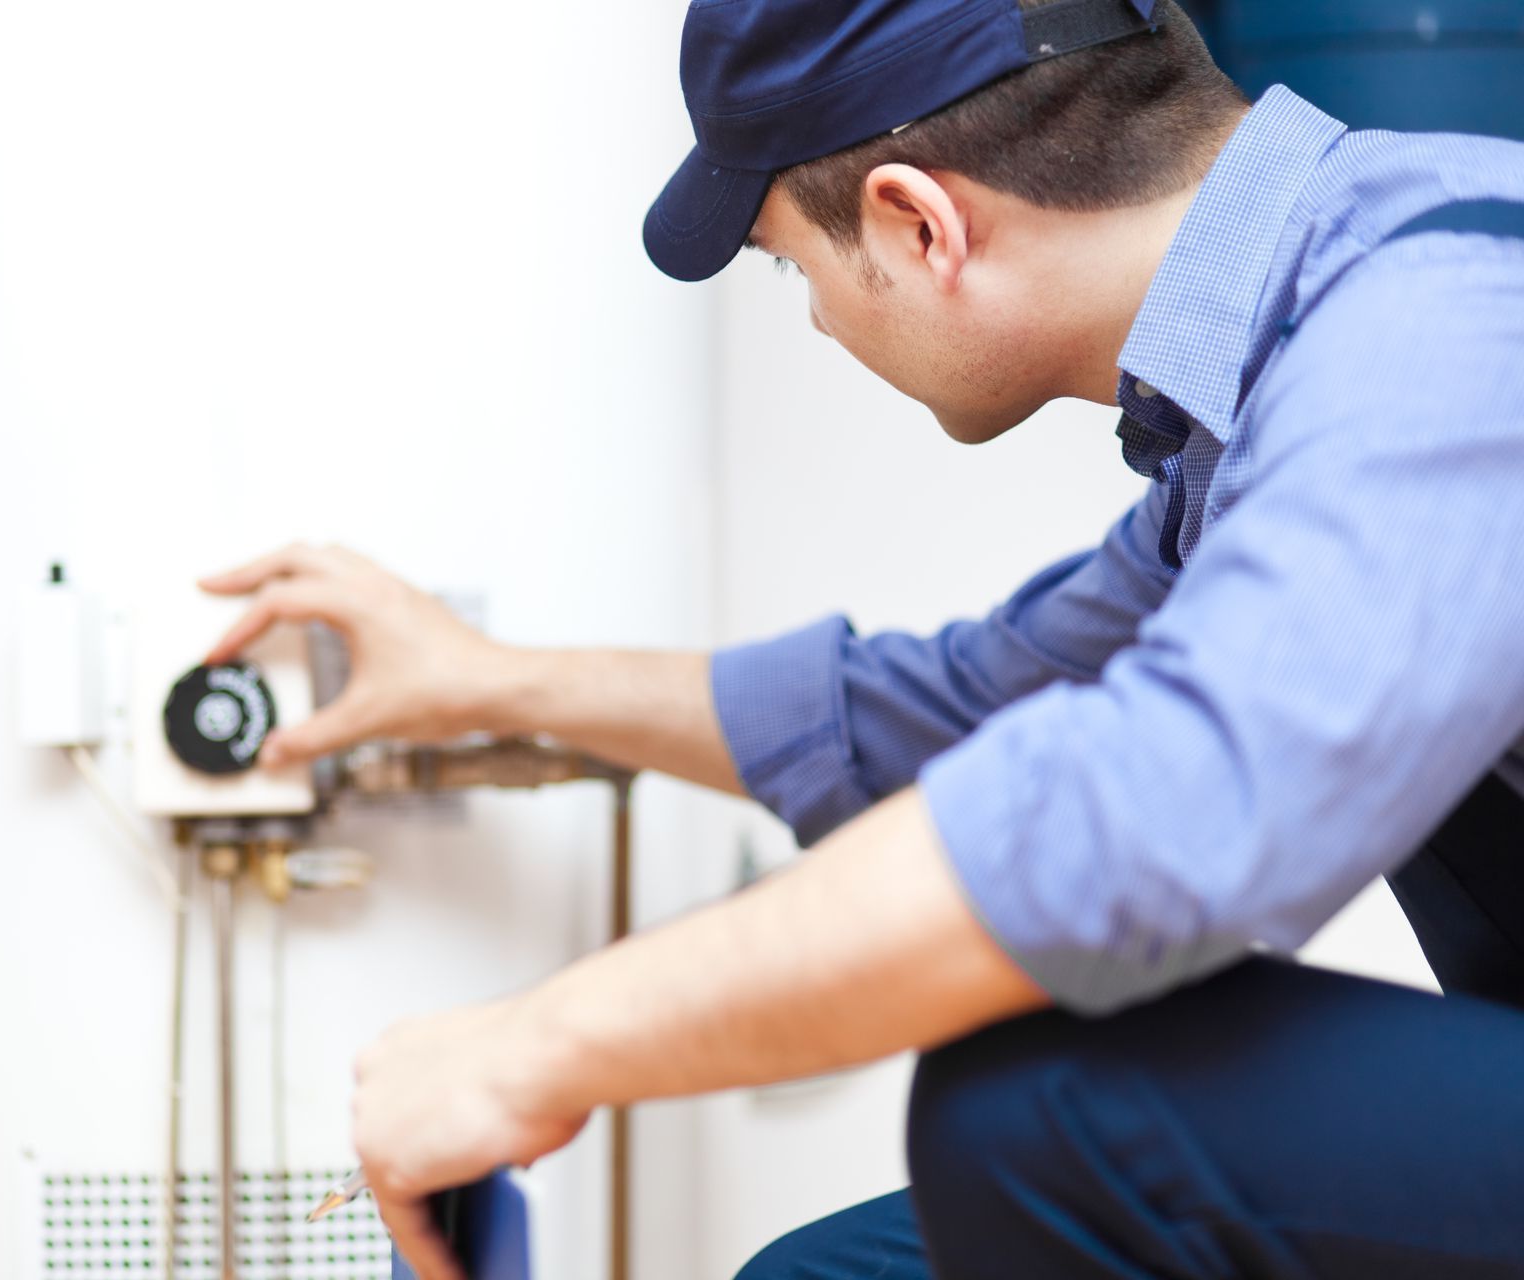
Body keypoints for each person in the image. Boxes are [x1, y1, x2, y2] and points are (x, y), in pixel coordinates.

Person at [201, 1, 1524, 1275]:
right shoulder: (1272, 380)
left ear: (917, 224)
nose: (822, 317)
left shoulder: (1440, 322)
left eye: (793, 265)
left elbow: (1141, 824)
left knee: (1044, 1103)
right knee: (840, 1272)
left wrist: (538, 1043)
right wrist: (488, 685)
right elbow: (959, 712)